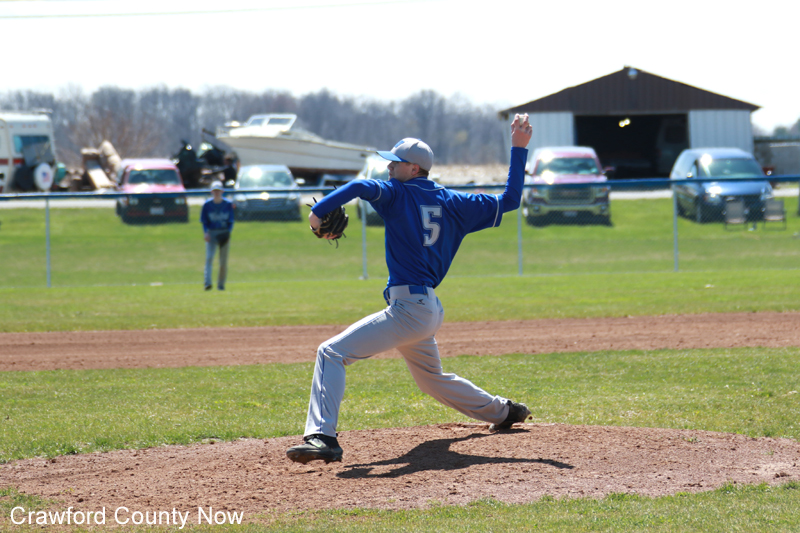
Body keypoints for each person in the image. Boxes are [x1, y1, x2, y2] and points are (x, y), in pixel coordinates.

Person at [286, 114, 534, 465]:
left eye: (395, 163)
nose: (388, 167)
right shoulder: (455, 202)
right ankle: (504, 412)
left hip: (409, 310)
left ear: (414, 168)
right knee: (432, 380)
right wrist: (519, 148)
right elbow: (510, 200)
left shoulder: (397, 193)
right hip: (427, 308)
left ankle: (322, 437)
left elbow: (358, 187)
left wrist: (316, 215)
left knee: (331, 353)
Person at [200, 180, 235, 291]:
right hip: (212, 233)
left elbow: (231, 221)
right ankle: (207, 283)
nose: (216, 193)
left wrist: (228, 233)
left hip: (223, 232)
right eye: (215, 191)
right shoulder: (207, 205)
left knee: (223, 261)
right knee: (209, 258)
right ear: (211, 192)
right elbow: (204, 222)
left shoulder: (228, 204)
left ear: (222, 191)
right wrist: (206, 233)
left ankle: (221, 284)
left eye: (218, 191)